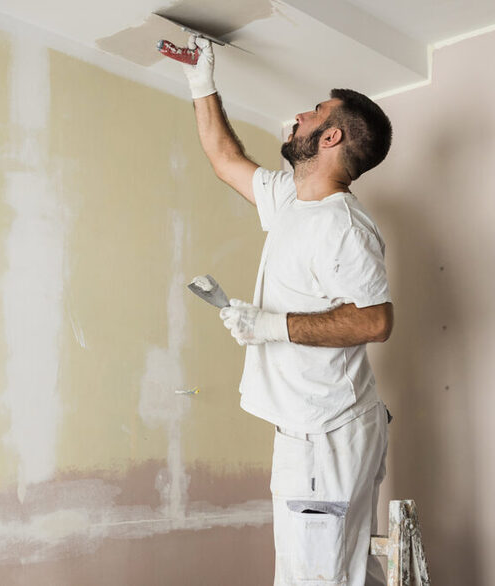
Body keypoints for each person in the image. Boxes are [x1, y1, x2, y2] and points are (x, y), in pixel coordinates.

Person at [183, 35, 394, 586]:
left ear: (331, 136)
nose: (299, 115)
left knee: (320, 578)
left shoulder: (344, 226)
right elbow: (224, 159)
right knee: (318, 573)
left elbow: (376, 320)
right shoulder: (289, 203)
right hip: (303, 429)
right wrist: (202, 82)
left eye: (315, 111)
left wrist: (270, 326)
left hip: (327, 434)